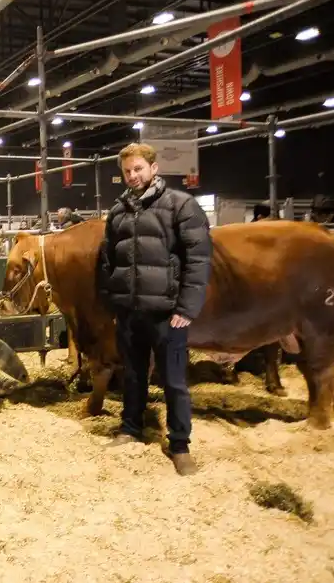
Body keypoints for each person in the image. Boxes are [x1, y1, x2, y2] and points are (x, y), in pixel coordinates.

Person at [97, 143, 213, 476]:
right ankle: (131, 428)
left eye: (138, 169)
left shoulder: (181, 205)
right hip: (129, 311)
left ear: (154, 168)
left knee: (173, 381)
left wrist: (187, 308)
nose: (133, 176)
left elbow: (199, 260)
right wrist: (114, 302)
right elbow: (108, 260)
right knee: (133, 375)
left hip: (167, 312)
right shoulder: (118, 211)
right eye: (127, 171)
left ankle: (180, 445)